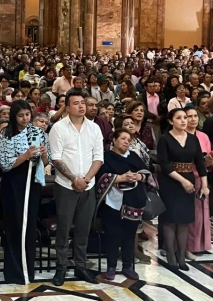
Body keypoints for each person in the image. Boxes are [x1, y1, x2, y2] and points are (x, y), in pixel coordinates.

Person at [49, 92, 104, 286]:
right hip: (66, 186)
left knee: (83, 228)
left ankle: (80, 267)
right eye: (76, 103)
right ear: (67, 106)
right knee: (63, 229)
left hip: (88, 185)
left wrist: (86, 179)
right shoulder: (58, 128)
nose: (81, 106)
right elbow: (56, 158)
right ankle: (61, 268)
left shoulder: (94, 128)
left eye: (83, 103)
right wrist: (73, 178)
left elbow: (98, 157)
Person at [0, 100, 50, 284]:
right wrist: (25, 156)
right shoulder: (5, 134)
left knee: (29, 227)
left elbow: (47, 160)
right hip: (13, 183)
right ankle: (14, 271)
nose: (25, 118)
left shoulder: (38, 132)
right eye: (21, 115)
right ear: (14, 116)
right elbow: (5, 164)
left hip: (32, 181)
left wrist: (42, 155)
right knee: (15, 225)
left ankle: (28, 270)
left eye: (27, 114)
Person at [157, 108, 209, 270]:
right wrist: (182, 181)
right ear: (171, 121)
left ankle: (181, 257)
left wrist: (205, 186)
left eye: (185, 117)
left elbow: (200, 163)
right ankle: (171, 255)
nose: (184, 120)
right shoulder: (165, 139)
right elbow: (164, 165)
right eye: (179, 118)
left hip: (189, 180)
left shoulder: (193, 139)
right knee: (171, 219)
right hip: (171, 181)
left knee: (185, 219)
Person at [96, 128, 150, 281]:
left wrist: (137, 176)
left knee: (129, 235)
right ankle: (111, 267)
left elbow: (146, 173)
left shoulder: (133, 156)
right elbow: (101, 176)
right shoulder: (106, 157)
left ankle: (128, 266)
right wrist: (120, 178)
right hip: (113, 202)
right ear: (114, 140)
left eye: (129, 139)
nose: (126, 141)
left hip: (133, 203)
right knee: (113, 235)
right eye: (123, 138)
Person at [184, 106, 212, 258]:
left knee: (203, 211)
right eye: (189, 116)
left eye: (195, 116)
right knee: (192, 212)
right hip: (187, 177)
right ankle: (189, 245)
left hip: (203, 177)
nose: (193, 119)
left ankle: (202, 244)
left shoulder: (204, 136)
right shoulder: (181, 136)